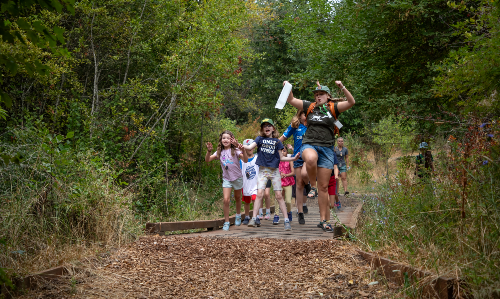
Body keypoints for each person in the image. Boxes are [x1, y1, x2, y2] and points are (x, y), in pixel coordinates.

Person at [285, 80, 355, 231]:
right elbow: (290, 99)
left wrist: (342, 86)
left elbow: (351, 101)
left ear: (328, 96)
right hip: (309, 144)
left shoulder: (333, 108)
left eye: (321, 94)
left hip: (328, 149)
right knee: (310, 158)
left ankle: (324, 220)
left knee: (325, 187)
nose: (318, 96)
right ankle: (312, 186)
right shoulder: (308, 106)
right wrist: (287, 87)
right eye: (316, 94)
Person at [244, 118, 299, 230]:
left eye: (269, 125)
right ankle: (254, 218)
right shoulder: (259, 139)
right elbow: (249, 147)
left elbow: (282, 157)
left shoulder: (277, 142)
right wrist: (239, 145)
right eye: (264, 126)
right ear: (262, 129)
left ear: (273, 128)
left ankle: (286, 221)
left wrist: (294, 157)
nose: (267, 127)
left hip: (274, 171)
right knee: (259, 194)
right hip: (263, 171)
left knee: (279, 196)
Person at [205, 130, 248, 231]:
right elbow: (207, 160)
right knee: (226, 200)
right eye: (224, 138)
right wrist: (209, 151)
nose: (226, 140)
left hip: (237, 177)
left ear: (232, 140)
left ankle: (238, 215)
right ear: (221, 140)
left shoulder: (236, 150)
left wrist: (243, 151)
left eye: (228, 138)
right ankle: (227, 221)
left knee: (238, 198)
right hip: (227, 179)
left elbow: (245, 160)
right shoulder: (219, 152)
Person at [279, 109, 311, 225]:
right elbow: (283, 137)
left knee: (304, 175)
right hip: (297, 157)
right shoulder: (295, 126)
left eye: (308, 115)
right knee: (298, 184)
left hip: (309, 157)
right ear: (300, 115)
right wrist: (273, 144)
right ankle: (300, 212)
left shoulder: (313, 126)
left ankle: (308, 185)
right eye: (304, 114)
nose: (306, 117)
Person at [274, 147, 295, 224]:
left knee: (288, 201)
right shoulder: (276, 161)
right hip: (278, 182)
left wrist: (286, 175)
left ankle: (289, 212)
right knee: (277, 199)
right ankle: (276, 215)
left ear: (287, 152)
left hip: (288, 182)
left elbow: (293, 172)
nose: (282, 153)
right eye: (281, 151)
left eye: (284, 151)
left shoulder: (289, 160)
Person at [240, 139, 259, 225]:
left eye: (250, 146)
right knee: (247, 201)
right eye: (247, 147)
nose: (249, 149)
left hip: (255, 183)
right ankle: (247, 216)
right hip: (246, 183)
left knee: (255, 199)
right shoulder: (241, 160)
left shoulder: (257, 158)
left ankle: (256, 216)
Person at [334, 137, 349, 209]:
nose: (341, 142)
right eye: (339, 141)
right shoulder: (335, 149)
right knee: (336, 179)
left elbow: (346, 157)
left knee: (344, 177)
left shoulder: (345, 149)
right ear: (337, 142)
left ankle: (345, 191)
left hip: (343, 164)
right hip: (336, 165)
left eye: (342, 141)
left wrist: (348, 164)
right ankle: (337, 192)